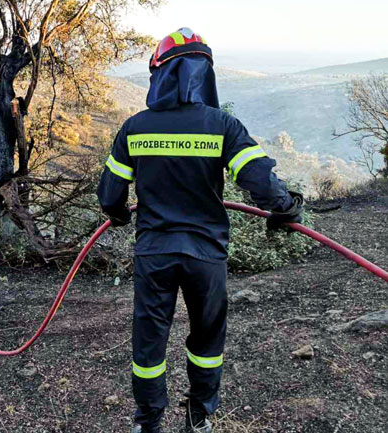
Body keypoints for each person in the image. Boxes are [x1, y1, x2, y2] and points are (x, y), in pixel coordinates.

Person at [96, 28, 304, 433]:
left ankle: (148, 422)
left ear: (160, 73)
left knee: (149, 343)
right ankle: (199, 418)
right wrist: (285, 208)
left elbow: (110, 197)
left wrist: (119, 214)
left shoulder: (135, 129)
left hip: (154, 254)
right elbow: (259, 180)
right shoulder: (222, 125)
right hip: (206, 256)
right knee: (207, 343)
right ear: (203, 73)